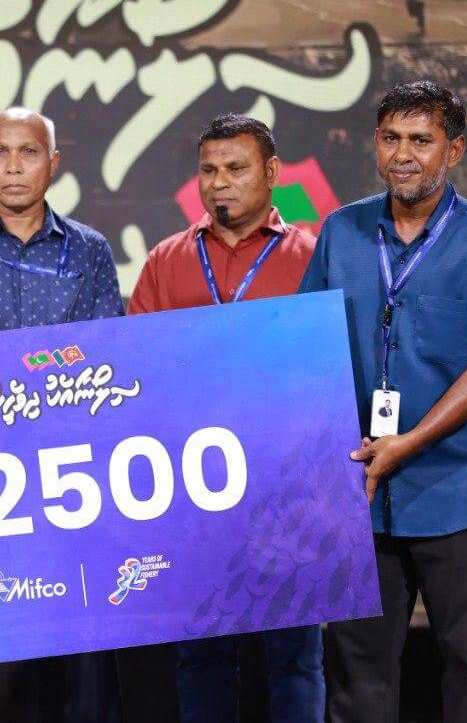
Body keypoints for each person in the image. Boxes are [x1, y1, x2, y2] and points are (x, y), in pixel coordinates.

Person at [300, 81, 467, 723]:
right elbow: (306, 343)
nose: (403, 154)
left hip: (457, 491)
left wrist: (408, 443)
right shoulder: (341, 231)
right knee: (357, 675)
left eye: (421, 140)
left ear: (453, 151)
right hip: (359, 490)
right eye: (391, 138)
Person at [0, 107, 124, 723]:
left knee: (82, 647)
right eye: (1, 152)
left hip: (73, 477)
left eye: (29, 152)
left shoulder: (90, 250)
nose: (14, 166)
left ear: (53, 163)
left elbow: (102, 364)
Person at [128, 113, 324, 723]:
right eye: (209, 170)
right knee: (202, 657)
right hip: (195, 493)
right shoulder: (166, 261)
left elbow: (334, 367)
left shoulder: (312, 257)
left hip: (289, 489)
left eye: (236, 168)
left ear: (272, 172)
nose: (220, 183)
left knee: (295, 657)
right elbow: (136, 374)